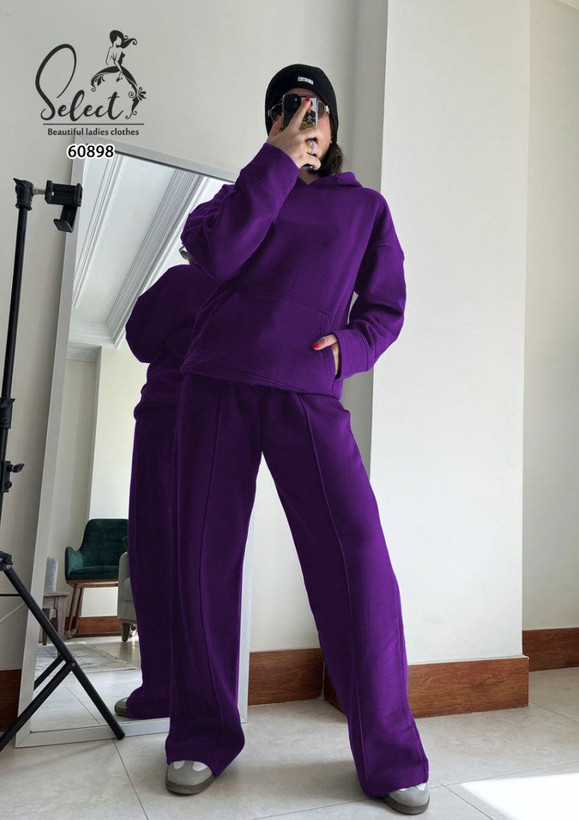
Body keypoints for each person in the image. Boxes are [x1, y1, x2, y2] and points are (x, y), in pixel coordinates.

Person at [164, 63, 431, 815]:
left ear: (334, 123)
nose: (305, 118)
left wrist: (350, 349)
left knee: (357, 559)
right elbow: (219, 255)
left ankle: (389, 753)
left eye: (316, 108)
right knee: (202, 558)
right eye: (288, 108)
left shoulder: (366, 209)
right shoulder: (239, 195)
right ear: (272, 123)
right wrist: (274, 165)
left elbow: (385, 308)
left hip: (307, 389)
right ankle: (201, 734)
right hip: (215, 383)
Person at [117, 258, 216, 719]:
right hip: (222, 427)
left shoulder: (183, 279)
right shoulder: (249, 288)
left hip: (168, 417)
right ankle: (205, 689)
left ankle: (162, 690)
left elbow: (140, 339)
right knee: (207, 559)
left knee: (155, 550)